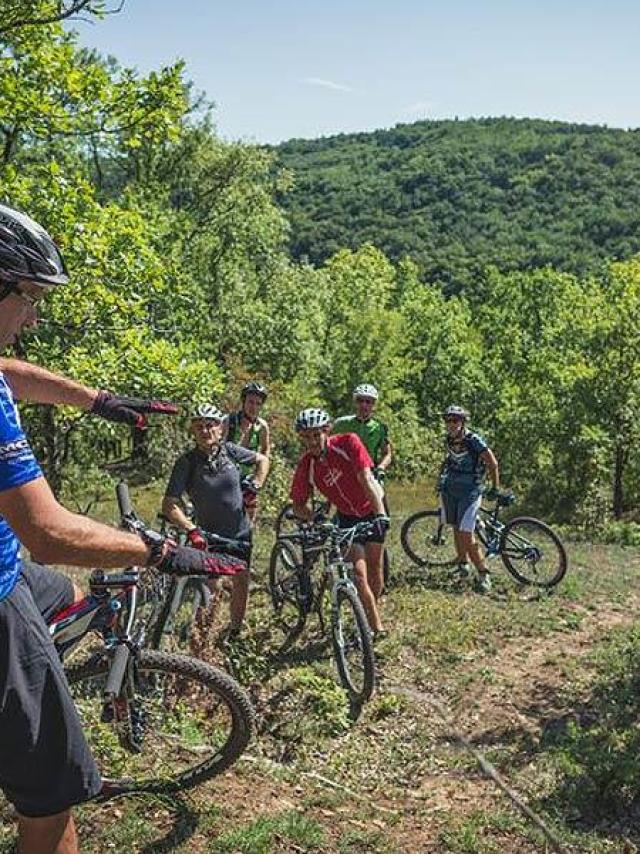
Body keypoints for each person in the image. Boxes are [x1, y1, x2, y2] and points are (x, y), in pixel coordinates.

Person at [0, 202, 238, 854]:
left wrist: (97, 400)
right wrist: (160, 552)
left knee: (68, 595)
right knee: (54, 807)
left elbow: (11, 374)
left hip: (15, 573)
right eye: (29, 296)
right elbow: (49, 531)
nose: (35, 314)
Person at [162, 402, 270, 635]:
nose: (205, 430)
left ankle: (234, 631)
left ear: (220, 428)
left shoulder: (230, 451)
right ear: (192, 430)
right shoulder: (187, 462)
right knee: (212, 586)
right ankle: (203, 636)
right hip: (208, 536)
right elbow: (169, 504)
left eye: (210, 425)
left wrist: (256, 485)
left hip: (240, 532)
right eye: (199, 426)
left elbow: (263, 460)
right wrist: (191, 529)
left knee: (241, 581)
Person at [290, 408, 388, 637]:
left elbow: (366, 479)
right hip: (345, 517)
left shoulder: (348, 443)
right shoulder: (307, 465)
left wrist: (380, 514)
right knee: (359, 574)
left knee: (375, 566)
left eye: (316, 434)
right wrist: (316, 517)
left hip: (372, 507)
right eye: (306, 436)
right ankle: (375, 629)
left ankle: (370, 610)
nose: (312, 441)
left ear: (326, 431)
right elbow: (297, 505)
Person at [438, 405, 500, 594]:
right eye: (448, 420)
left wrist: (495, 488)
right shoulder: (449, 439)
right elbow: (450, 459)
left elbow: (492, 462)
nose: (451, 424)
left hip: (470, 491)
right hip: (451, 489)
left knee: (466, 532)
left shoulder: (473, 440)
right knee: (456, 527)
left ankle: (483, 573)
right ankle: (462, 564)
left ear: (463, 422)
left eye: (455, 420)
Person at [222, 381, 270, 524]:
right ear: (243, 402)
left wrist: (259, 475)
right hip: (224, 472)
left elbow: (265, 449)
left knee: (251, 505)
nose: (253, 407)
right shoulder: (229, 421)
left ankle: (247, 537)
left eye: (258, 403)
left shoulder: (261, 426)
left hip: (246, 475)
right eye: (250, 402)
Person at [332, 384, 392, 486]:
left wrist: (381, 467)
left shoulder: (379, 427)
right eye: (360, 400)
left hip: (370, 473)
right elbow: (327, 446)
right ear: (355, 402)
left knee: (381, 501)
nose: (364, 405)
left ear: (373, 404)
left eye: (368, 402)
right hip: (344, 473)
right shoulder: (341, 424)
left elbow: (387, 453)